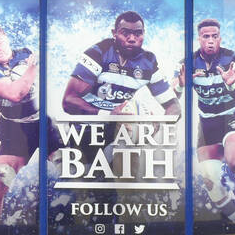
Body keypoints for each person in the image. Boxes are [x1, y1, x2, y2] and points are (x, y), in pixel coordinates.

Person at [61, 10, 181, 172]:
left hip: (119, 130)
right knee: (85, 187)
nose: (132, 39)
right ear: (115, 33)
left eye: (137, 34)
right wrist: (108, 115)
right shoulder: (99, 53)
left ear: (143, 35)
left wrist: (160, 122)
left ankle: (127, 192)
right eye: (126, 33)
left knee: (124, 172)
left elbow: (173, 106)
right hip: (87, 127)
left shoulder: (148, 62)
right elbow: (68, 101)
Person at [177, 19, 235, 224]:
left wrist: (231, 84)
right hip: (207, 122)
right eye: (206, 36)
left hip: (234, 116)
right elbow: (172, 92)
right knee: (209, 180)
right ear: (199, 39)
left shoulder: (231, 58)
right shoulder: (188, 61)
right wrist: (180, 85)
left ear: (220, 38)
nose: (210, 41)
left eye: (214, 36)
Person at [0, 26, 43, 220]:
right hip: (15, 129)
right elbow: (14, 95)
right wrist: (32, 68)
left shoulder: (26, 53)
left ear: (7, 40)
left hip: (44, 122)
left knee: (73, 168)